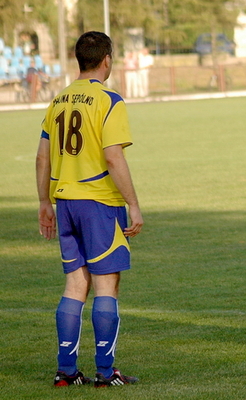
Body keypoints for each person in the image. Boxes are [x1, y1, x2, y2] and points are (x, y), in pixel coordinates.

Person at [35, 31, 143, 387]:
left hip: (65, 202)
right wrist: (133, 204)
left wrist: (43, 202)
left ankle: (66, 372)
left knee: (74, 284)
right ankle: (104, 371)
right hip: (98, 203)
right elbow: (113, 156)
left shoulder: (58, 101)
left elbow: (42, 158)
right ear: (107, 59)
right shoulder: (109, 100)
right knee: (106, 285)